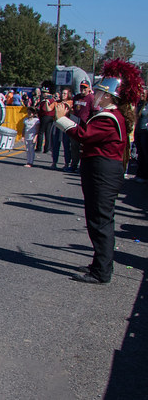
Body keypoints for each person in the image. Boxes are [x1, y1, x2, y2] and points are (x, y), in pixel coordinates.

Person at [55, 60, 144, 284]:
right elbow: (88, 130)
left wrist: (60, 119)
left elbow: (84, 135)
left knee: (100, 221)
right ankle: (99, 264)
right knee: (99, 219)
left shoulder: (108, 116)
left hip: (103, 171)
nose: (95, 94)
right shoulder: (110, 115)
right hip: (102, 169)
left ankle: (102, 271)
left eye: (100, 91)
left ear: (109, 96)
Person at [71, 80, 93, 172]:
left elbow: (93, 111)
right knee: (74, 146)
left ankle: (82, 167)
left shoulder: (91, 98)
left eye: (85, 87)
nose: (83, 89)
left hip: (85, 125)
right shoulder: (76, 97)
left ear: (89, 88)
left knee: (83, 147)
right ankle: (74, 165)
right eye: (81, 87)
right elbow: (74, 109)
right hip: (76, 124)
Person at [52, 87, 74, 170]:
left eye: (65, 93)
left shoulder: (71, 102)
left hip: (65, 123)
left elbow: (73, 112)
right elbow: (50, 109)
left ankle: (67, 163)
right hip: (57, 123)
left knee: (66, 144)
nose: (63, 95)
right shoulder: (57, 102)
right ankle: (54, 162)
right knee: (55, 143)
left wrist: (69, 107)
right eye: (62, 93)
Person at [35, 81, 55, 153]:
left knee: (41, 132)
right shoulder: (53, 99)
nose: (43, 94)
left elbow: (43, 109)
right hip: (51, 117)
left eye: (44, 92)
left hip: (45, 116)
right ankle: (47, 148)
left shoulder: (46, 100)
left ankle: (39, 147)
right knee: (48, 133)